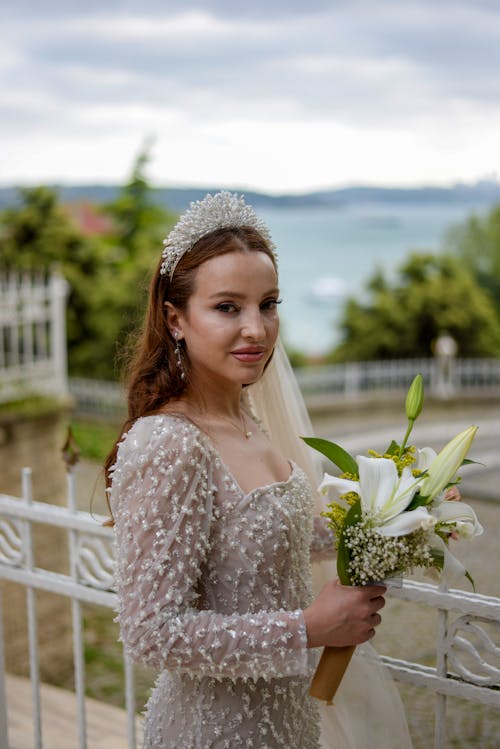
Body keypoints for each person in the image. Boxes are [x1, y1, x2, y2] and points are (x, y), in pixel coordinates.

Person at [106, 192, 412, 748]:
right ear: (176, 319)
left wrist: (409, 508)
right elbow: (150, 634)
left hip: (291, 726)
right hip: (212, 734)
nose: (256, 329)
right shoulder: (170, 445)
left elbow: (290, 534)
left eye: (268, 304)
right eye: (228, 307)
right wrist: (308, 629)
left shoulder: (249, 419)